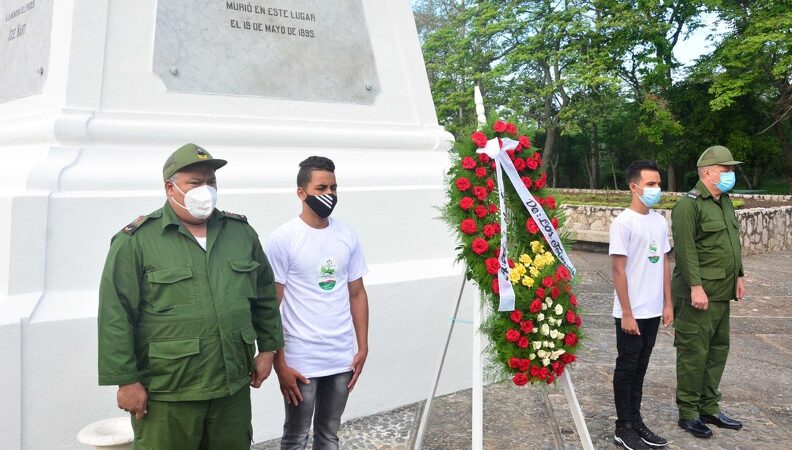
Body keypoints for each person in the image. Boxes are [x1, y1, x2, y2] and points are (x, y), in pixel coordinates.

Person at [97, 143, 283, 450]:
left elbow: (264, 294)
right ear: (170, 188)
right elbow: (115, 314)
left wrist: (268, 349)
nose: (205, 190)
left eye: (211, 182)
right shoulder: (137, 241)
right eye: (195, 183)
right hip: (169, 392)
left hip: (231, 387)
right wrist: (126, 381)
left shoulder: (240, 233)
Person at [265, 156, 369, 450]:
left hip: (341, 357)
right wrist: (279, 362)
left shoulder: (346, 234)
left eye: (334, 187)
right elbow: (272, 305)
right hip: (301, 360)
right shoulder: (283, 239)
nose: (330, 194)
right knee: (296, 437)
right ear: (301, 192)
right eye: (321, 187)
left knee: (329, 435)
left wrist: (362, 347)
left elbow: (357, 293)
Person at [672, 145, 746, 439]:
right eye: (726, 170)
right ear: (707, 173)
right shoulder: (688, 205)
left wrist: (739, 275)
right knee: (694, 353)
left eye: (731, 169)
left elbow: (732, 243)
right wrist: (695, 287)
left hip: (722, 291)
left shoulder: (724, 201)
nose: (731, 174)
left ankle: (709, 407)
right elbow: (686, 250)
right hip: (698, 294)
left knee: (717, 350)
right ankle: (688, 412)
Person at [609, 160, 673, 450]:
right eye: (650, 184)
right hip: (630, 313)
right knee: (627, 367)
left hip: (653, 310)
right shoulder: (623, 223)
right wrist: (627, 313)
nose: (656, 189)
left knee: (641, 368)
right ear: (634, 187)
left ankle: (636, 420)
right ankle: (623, 426)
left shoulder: (659, 221)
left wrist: (668, 304)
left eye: (658, 183)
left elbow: (663, 264)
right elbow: (618, 270)